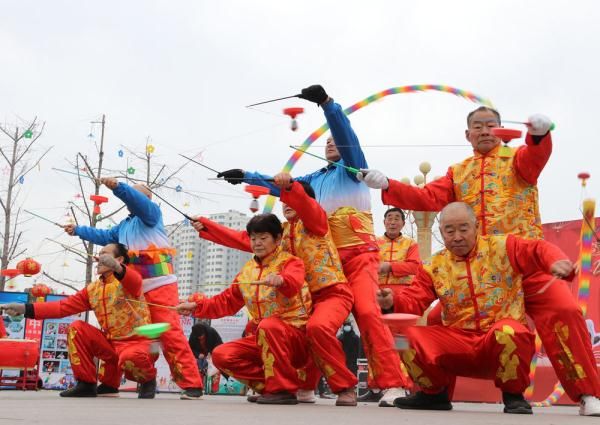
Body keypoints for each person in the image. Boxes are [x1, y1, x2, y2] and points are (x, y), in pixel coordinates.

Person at [360, 107, 600, 415]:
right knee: (432, 324)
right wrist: (389, 186)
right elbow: (427, 198)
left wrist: (539, 135)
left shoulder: (518, 161)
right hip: (472, 270)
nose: (485, 130)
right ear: (467, 134)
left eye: (491, 125)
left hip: (524, 268)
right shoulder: (458, 173)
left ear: (501, 130)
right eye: (478, 126)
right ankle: (433, 392)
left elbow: (536, 155)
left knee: (565, 311)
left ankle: (586, 395)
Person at [217, 85, 408, 407]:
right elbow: (286, 188)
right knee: (307, 321)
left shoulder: (354, 169)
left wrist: (328, 106)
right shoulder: (314, 180)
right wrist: (246, 176)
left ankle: (392, 384)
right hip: (320, 264)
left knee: (367, 312)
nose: (332, 142)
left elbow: (345, 136)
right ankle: (302, 384)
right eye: (327, 140)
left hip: (358, 257)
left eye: (335, 139)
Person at [378, 203, 580, 414]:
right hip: (457, 340)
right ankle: (433, 394)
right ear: (441, 232)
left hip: (498, 339)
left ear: (476, 227)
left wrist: (555, 262)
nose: (457, 236)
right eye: (450, 230)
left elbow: (537, 248)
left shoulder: (503, 247)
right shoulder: (433, 266)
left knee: (510, 332)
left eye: (463, 229)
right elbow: (414, 299)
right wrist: (391, 302)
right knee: (404, 338)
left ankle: (513, 395)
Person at [192, 177, 358, 406]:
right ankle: (279, 385)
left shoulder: (317, 222)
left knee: (317, 328)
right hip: (297, 301)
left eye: (293, 199)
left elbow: (303, 211)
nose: (288, 203)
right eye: (284, 201)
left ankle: (344, 387)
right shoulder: (278, 234)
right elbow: (245, 238)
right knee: (255, 329)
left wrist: (290, 187)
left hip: (329, 293)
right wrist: (206, 226)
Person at [63, 178, 203, 399]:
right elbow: (103, 236)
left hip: (159, 285)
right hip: (131, 287)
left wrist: (119, 188)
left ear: (147, 199)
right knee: (124, 335)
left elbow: (136, 200)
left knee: (169, 333)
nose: (132, 200)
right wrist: (78, 230)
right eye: (131, 195)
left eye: (136, 195)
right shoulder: (124, 226)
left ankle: (191, 384)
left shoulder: (152, 215)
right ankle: (118, 381)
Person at [176, 214, 312, 405]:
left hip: (295, 339)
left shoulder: (290, 262)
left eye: (263, 238)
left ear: (278, 239)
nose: (257, 243)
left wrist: (281, 280)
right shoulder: (247, 271)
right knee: (221, 355)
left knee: (268, 326)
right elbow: (225, 302)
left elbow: (294, 283)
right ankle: (272, 386)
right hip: (263, 337)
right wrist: (195, 307)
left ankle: (283, 389)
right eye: (253, 238)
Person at [1, 243, 157, 398]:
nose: (100, 258)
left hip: (138, 343)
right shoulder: (92, 289)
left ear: (120, 259)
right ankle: (86, 384)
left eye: (105, 254)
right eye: (100, 254)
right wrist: (25, 309)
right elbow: (61, 307)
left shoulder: (128, 280)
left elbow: (134, 280)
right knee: (77, 328)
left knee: (130, 356)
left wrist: (118, 268)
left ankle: (148, 380)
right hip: (112, 343)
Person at [378, 208, 420, 294]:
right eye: (389, 219)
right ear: (384, 222)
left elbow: (414, 267)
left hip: (404, 291)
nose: (392, 222)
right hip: (377, 289)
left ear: (403, 223)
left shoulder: (411, 243)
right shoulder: (374, 243)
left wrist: (390, 267)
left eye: (396, 219)